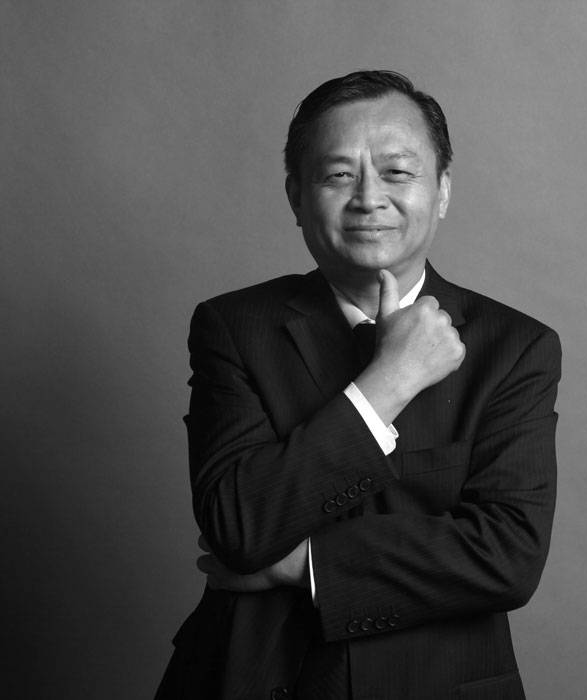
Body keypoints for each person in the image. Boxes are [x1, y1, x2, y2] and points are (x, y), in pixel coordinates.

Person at [155, 70, 561, 700]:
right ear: (296, 196)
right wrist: (388, 382)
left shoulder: (516, 348)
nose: (369, 199)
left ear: (442, 190)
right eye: (338, 175)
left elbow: (508, 557)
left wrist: (300, 564)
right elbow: (238, 525)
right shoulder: (234, 328)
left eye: (397, 172)